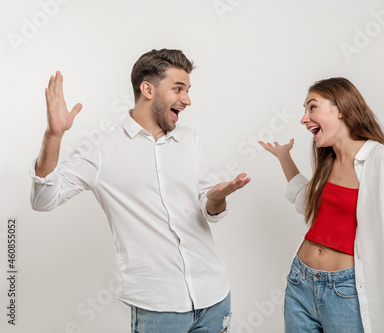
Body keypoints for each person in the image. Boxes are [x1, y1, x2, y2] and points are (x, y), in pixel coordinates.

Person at [30, 49, 250, 333]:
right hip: (158, 306)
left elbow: (209, 207)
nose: (187, 100)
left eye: (188, 90)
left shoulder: (190, 140)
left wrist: (215, 199)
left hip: (214, 295)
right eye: (178, 89)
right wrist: (54, 136)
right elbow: (43, 200)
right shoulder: (101, 148)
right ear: (148, 89)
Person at [259, 77, 384, 333]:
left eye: (312, 107)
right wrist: (284, 157)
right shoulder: (328, 158)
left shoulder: (381, 159)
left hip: (346, 291)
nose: (304, 118)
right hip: (300, 281)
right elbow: (306, 202)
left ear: (340, 109)